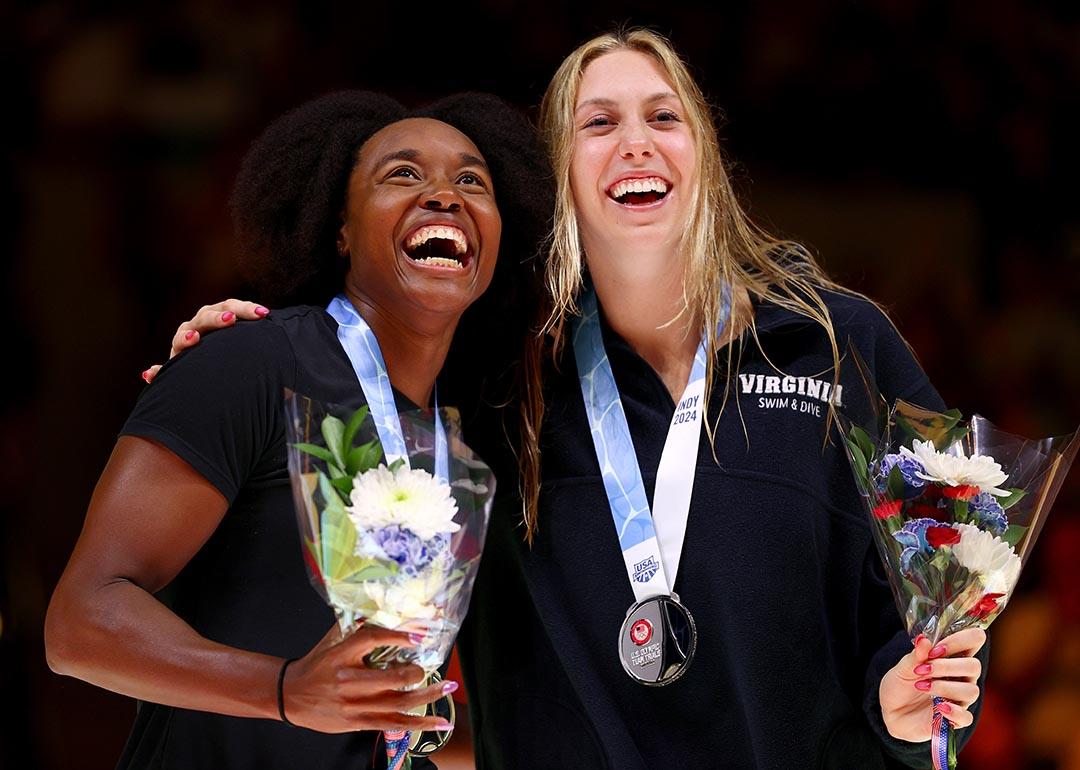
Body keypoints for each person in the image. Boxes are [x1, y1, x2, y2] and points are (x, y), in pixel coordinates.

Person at [142, 29, 988, 769]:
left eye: (664, 117)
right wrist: (260, 351)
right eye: (599, 123)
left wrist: (910, 717)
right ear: (556, 179)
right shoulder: (500, 374)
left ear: (708, 160)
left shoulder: (834, 341)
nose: (636, 143)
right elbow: (361, 363)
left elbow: (947, 575)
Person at [44, 89, 551, 770]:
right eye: (403, 174)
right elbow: (77, 626)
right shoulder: (247, 363)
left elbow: (447, 726)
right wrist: (284, 691)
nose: (443, 195)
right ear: (338, 227)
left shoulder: (478, 437)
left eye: (471, 181)